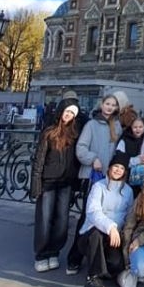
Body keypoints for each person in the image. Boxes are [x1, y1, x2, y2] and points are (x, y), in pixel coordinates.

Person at [67, 93, 122, 274]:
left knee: (105, 218)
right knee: (87, 217)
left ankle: (100, 258)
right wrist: (93, 159)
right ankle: (74, 258)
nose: (109, 107)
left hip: (110, 180)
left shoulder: (117, 125)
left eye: (113, 105)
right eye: (107, 103)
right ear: (102, 104)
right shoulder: (91, 124)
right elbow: (80, 148)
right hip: (93, 177)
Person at [30, 98, 81, 272]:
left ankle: (54, 251)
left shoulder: (74, 135)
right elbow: (39, 159)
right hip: (48, 182)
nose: (69, 116)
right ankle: (41, 253)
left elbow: (76, 161)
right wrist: (35, 184)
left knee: (62, 220)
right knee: (44, 219)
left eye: (72, 114)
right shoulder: (49, 132)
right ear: (61, 112)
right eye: (67, 112)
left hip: (66, 183)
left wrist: (76, 183)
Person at [77, 150, 134, 287]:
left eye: (122, 168)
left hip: (115, 237)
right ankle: (93, 278)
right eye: (115, 166)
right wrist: (110, 227)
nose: (118, 170)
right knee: (96, 233)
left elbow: (129, 215)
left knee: (115, 265)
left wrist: (122, 233)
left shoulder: (128, 191)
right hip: (92, 235)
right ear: (109, 167)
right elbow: (93, 211)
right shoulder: (98, 187)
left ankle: (106, 271)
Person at [116, 115, 144, 195]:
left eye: (140, 127)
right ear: (131, 127)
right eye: (135, 127)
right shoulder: (124, 140)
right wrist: (136, 160)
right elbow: (119, 158)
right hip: (127, 177)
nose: (138, 129)